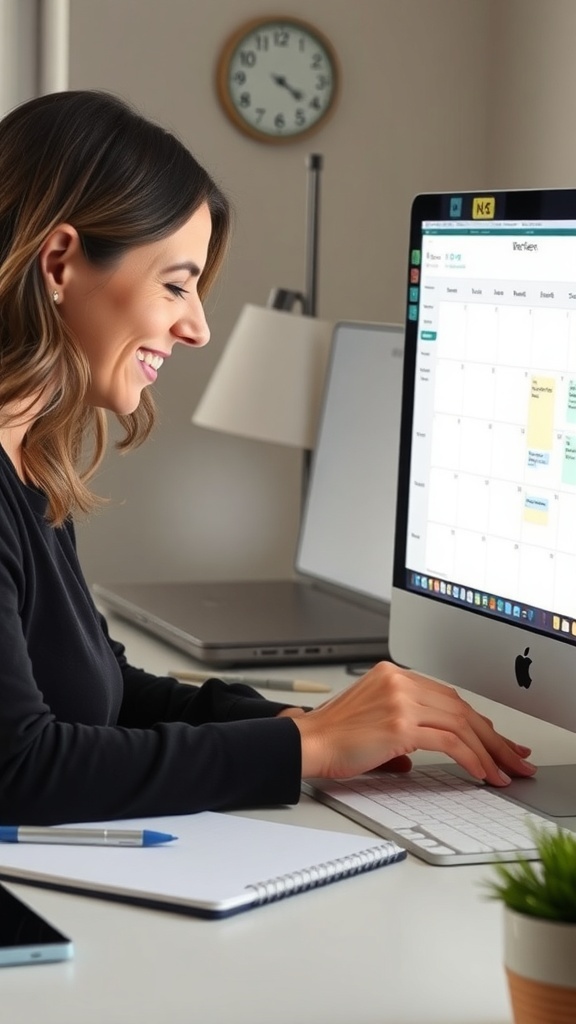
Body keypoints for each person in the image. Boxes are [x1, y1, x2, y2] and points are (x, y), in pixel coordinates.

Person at [0, 89, 536, 827]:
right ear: (59, 262)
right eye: (176, 285)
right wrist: (304, 745)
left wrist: (310, 721)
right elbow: (19, 766)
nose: (197, 328)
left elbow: (101, 692)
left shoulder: (27, 460)